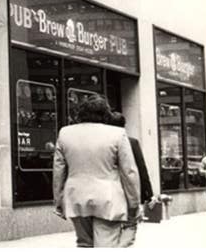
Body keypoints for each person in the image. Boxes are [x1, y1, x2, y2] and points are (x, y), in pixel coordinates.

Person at [53, 96, 141, 248]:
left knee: (84, 244)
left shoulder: (65, 133)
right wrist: (134, 204)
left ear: (80, 114)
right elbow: (129, 172)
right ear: (105, 114)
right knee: (106, 244)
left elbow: (58, 170)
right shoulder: (117, 134)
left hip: (76, 197)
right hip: (108, 199)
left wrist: (58, 200)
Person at [108, 111, 152, 247]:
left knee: (112, 225)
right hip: (129, 190)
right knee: (131, 222)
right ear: (124, 125)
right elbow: (141, 167)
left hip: (111, 190)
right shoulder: (132, 142)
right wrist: (148, 193)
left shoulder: (105, 142)